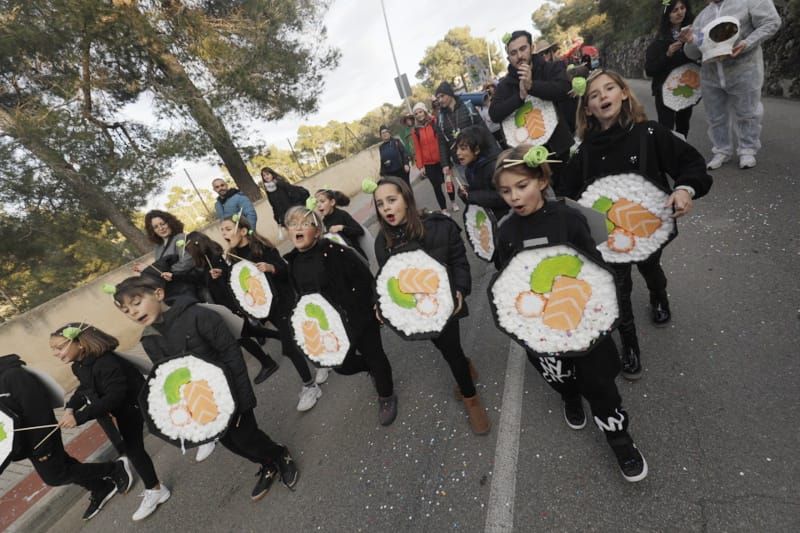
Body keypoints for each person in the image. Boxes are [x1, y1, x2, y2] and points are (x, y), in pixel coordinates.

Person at [492, 145, 648, 482]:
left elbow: (596, 270)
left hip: (583, 324)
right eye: (506, 191)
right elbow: (507, 279)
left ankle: (619, 439)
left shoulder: (570, 218)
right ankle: (569, 396)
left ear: (542, 179)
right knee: (559, 376)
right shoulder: (505, 231)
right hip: (541, 330)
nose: (514, 197)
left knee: (602, 387)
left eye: (522, 186)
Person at [558, 70, 712, 380]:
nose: (603, 96)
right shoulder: (583, 151)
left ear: (624, 93)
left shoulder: (650, 133)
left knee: (650, 269)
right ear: (587, 108)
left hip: (648, 231)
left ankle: (658, 295)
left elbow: (691, 163)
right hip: (607, 238)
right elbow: (567, 192)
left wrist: (684, 189)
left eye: (609, 88)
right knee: (619, 289)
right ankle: (630, 345)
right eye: (594, 95)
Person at [112, 276, 299, 501]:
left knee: (246, 438)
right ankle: (267, 463)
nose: (133, 312)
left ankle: (279, 454)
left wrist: (241, 399)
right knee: (232, 444)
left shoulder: (198, 315)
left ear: (159, 294)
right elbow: (169, 375)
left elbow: (232, 354)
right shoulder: (149, 340)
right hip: (205, 405)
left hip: (231, 393)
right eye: (126, 311)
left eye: (136, 302)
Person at [371, 177, 490, 435]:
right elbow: (386, 277)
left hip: (446, 306)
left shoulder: (438, 226)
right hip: (417, 312)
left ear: (407, 198)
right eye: (380, 204)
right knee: (442, 346)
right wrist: (381, 303)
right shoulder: (382, 242)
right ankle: (466, 365)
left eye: (392, 200)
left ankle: (471, 399)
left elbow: (459, 260)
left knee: (451, 351)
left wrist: (460, 289)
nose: (387, 208)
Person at [283, 206, 398, 426]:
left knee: (375, 355)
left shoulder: (337, 251)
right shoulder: (293, 261)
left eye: (305, 223)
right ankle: (372, 368)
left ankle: (386, 395)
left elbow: (365, 277)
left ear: (317, 231)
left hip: (359, 316)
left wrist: (375, 306)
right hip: (331, 327)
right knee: (341, 365)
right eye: (292, 224)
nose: (297, 227)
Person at [49, 324, 170, 520]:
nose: (55, 353)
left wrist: (79, 417)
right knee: (134, 449)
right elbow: (86, 388)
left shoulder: (105, 362)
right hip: (125, 408)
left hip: (138, 403)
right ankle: (156, 490)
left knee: (169, 425)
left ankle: (209, 431)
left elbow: (113, 398)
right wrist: (70, 408)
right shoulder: (79, 365)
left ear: (79, 343)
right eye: (53, 349)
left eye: (59, 347)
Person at [0, 353, 133, 522]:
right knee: (64, 466)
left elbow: (38, 410)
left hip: (41, 437)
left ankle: (114, 469)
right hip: (25, 443)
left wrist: (42, 444)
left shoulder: (13, 376)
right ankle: (100, 487)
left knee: (56, 476)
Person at [218, 217, 327, 412]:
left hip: (283, 301)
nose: (224, 234)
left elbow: (285, 269)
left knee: (290, 346)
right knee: (299, 336)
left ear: (243, 231)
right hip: (267, 309)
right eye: (222, 231)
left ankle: (310, 386)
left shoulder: (261, 248)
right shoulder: (233, 257)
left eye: (227, 229)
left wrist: (271, 268)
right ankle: (321, 361)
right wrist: (222, 275)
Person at [683, 0, 781, 170]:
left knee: (747, 111)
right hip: (711, 74)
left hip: (744, 69)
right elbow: (692, 52)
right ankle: (721, 150)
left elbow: (771, 22)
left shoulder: (749, 2)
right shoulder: (702, 16)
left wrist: (747, 42)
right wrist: (690, 41)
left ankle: (747, 149)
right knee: (715, 115)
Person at [180, 231, 281, 386]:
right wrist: (173, 277)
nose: (188, 254)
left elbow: (229, 277)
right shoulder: (204, 262)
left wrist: (219, 275)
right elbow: (195, 278)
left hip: (229, 304)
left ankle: (268, 362)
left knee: (241, 336)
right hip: (225, 305)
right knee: (246, 332)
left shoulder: (215, 258)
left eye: (189, 250)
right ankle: (280, 339)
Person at [489, 30, 574, 186]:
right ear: (508, 58)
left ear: (532, 47)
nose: (519, 56)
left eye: (523, 49)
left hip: (558, 148)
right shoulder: (504, 85)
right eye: (513, 53)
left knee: (569, 191)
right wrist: (519, 97)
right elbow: (494, 114)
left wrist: (532, 86)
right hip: (527, 158)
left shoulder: (550, 68)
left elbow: (564, 89)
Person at [434, 80, 497, 209]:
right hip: (460, 161)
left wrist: (495, 151)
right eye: (438, 97)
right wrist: (445, 164)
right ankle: (482, 213)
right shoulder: (440, 118)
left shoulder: (467, 106)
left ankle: (495, 206)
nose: (439, 100)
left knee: (489, 182)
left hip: (478, 155)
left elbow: (483, 129)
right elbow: (441, 142)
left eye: (442, 96)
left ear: (449, 94)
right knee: (471, 188)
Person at [645, 0, 698, 138]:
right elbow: (650, 69)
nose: (680, 12)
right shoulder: (659, 41)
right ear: (667, 15)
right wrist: (668, 54)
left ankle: (681, 154)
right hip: (664, 91)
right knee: (666, 128)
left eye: (682, 8)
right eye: (675, 10)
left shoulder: (695, 33)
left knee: (683, 125)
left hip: (687, 88)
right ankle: (667, 157)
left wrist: (692, 45)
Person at [135, 210, 197, 303]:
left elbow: (188, 261)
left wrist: (152, 270)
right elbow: (161, 268)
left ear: (169, 223)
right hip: (173, 291)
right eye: (156, 227)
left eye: (162, 224)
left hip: (187, 286)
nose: (161, 228)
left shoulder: (180, 237)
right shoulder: (158, 247)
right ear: (153, 231)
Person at [454, 125, 508, 221]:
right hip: (488, 220)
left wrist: (473, 195)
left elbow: (504, 197)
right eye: (457, 148)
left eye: (463, 148)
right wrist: (466, 193)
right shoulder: (469, 170)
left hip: (505, 217)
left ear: (477, 150)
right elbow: (480, 192)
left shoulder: (494, 167)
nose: (458, 153)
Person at [410, 102, 449, 212]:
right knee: (436, 188)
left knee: (448, 182)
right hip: (429, 164)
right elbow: (417, 149)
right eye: (416, 113)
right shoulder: (415, 130)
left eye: (420, 111)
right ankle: (444, 209)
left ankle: (453, 201)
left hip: (441, 160)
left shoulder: (434, 122)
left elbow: (441, 140)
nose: (419, 115)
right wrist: (420, 166)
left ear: (425, 111)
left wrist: (446, 156)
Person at [314, 189, 367, 258]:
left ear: (332, 202)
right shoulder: (323, 221)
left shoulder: (342, 215)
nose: (318, 205)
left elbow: (359, 231)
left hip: (355, 256)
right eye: (316, 202)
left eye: (322, 201)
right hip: (341, 258)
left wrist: (341, 228)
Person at [260, 167, 310, 232]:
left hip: (293, 212)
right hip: (284, 217)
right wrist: (277, 219)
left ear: (272, 174)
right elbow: (274, 205)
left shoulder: (281, 183)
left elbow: (294, 195)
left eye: (267, 174)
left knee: (303, 230)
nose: (266, 177)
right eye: (264, 175)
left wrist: (295, 209)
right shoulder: (268, 190)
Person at [477, 82, 507, 150]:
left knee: (506, 143)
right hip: (492, 131)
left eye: (492, 91)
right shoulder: (481, 108)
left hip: (501, 127)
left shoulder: (495, 102)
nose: (491, 94)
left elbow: (497, 114)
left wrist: (489, 104)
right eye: (489, 92)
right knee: (501, 147)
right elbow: (487, 119)